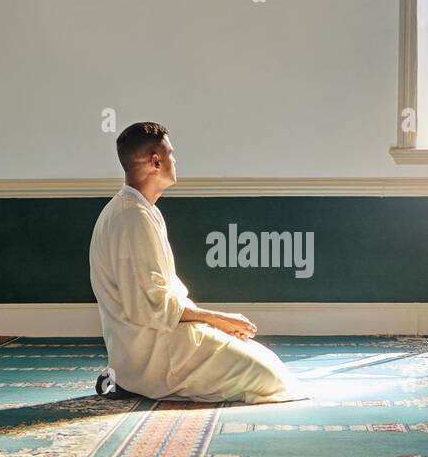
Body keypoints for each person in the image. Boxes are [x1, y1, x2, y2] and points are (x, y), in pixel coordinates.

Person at [88, 122, 304, 404]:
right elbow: (150, 307)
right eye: (171, 154)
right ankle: (132, 381)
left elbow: (160, 299)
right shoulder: (132, 217)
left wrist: (213, 323)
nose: (175, 161)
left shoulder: (139, 209)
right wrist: (219, 319)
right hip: (153, 354)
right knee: (270, 379)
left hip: (158, 339)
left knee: (269, 365)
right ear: (156, 161)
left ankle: (126, 378)